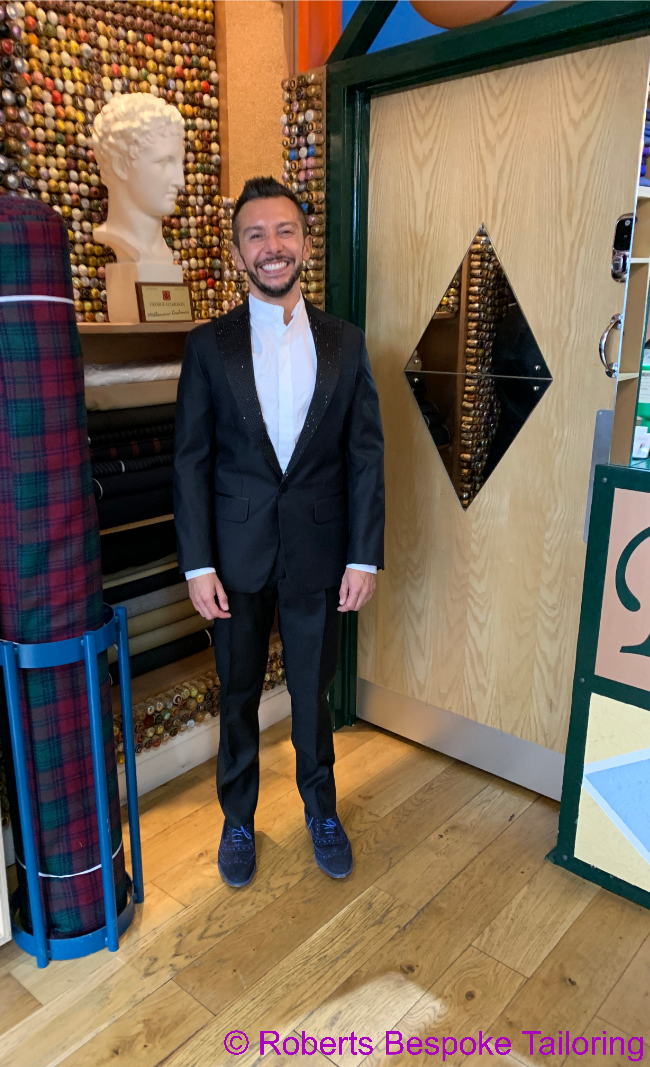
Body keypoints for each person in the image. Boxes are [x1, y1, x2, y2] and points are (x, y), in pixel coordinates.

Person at [173, 176, 385, 887]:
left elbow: (365, 455)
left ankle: (321, 810)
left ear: (305, 243)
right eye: (256, 235)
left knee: (311, 695)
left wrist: (364, 556)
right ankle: (238, 818)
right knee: (236, 694)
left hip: (320, 553)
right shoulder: (209, 347)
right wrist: (197, 564)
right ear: (238, 253)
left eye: (284, 231)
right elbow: (191, 460)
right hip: (233, 559)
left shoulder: (346, 343)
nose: (272, 246)